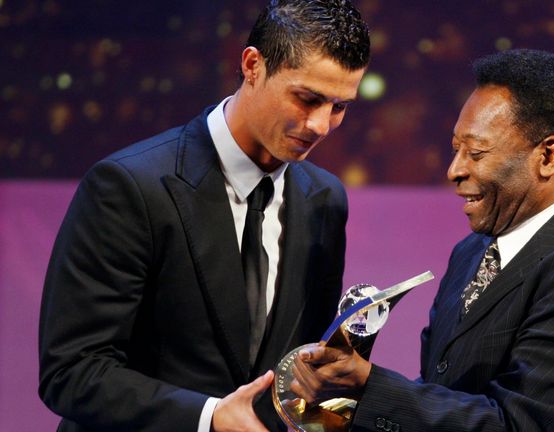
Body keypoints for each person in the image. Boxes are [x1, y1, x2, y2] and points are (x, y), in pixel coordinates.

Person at [37, 1, 370, 431]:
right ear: (252, 65)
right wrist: (209, 418)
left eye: (340, 107)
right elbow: (71, 372)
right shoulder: (129, 186)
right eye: (307, 98)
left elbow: (298, 367)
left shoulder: (325, 200)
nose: (320, 125)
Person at [290, 49, 554, 431]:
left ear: (547, 156)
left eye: (476, 153)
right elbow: (442, 396)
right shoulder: (472, 252)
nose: (454, 170)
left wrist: (369, 387)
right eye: (455, 149)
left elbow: (517, 426)